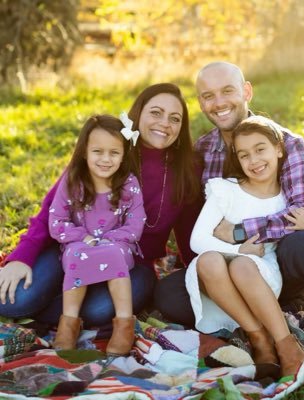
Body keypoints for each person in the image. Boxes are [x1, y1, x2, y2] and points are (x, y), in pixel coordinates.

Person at [154, 61, 304, 375]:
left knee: (303, 242)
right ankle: (273, 320)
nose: (218, 103)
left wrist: (239, 232)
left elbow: (303, 216)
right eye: (208, 96)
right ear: (201, 103)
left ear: (246, 91)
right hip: (227, 268)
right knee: (169, 296)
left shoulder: (286, 144)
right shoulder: (202, 152)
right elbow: (201, 224)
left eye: (227, 91)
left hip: (279, 263)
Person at [0, 83, 203, 331]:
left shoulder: (187, 168)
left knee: (99, 311)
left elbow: (189, 230)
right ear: (138, 113)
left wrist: (198, 273)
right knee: (14, 301)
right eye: (156, 113)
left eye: (175, 118)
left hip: (131, 262)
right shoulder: (109, 149)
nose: (165, 123)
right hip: (73, 246)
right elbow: (51, 210)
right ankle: (47, 302)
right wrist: (21, 257)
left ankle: (53, 312)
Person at [186, 116, 304, 377]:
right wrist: (239, 250)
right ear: (237, 159)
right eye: (245, 155)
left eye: (261, 150)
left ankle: (286, 344)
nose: (254, 161)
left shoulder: (287, 200)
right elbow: (197, 240)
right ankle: (258, 337)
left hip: (259, 273)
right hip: (215, 281)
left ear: (279, 150)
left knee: (243, 267)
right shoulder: (225, 190)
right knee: (209, 260)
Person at [49, 114, 146, 355]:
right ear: (84, 151)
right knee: (75, 253)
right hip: (79, 243)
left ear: (124, 154)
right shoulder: (74, 180)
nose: (105, 159)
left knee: (112, 252)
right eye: (98, 151)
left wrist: (107, 240)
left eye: (114, 152)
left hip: (117, 246)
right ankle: (68, 324)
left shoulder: (128, 184)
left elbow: (135, 225)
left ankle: (124, 325)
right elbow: (56, 221)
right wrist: (82, 237)